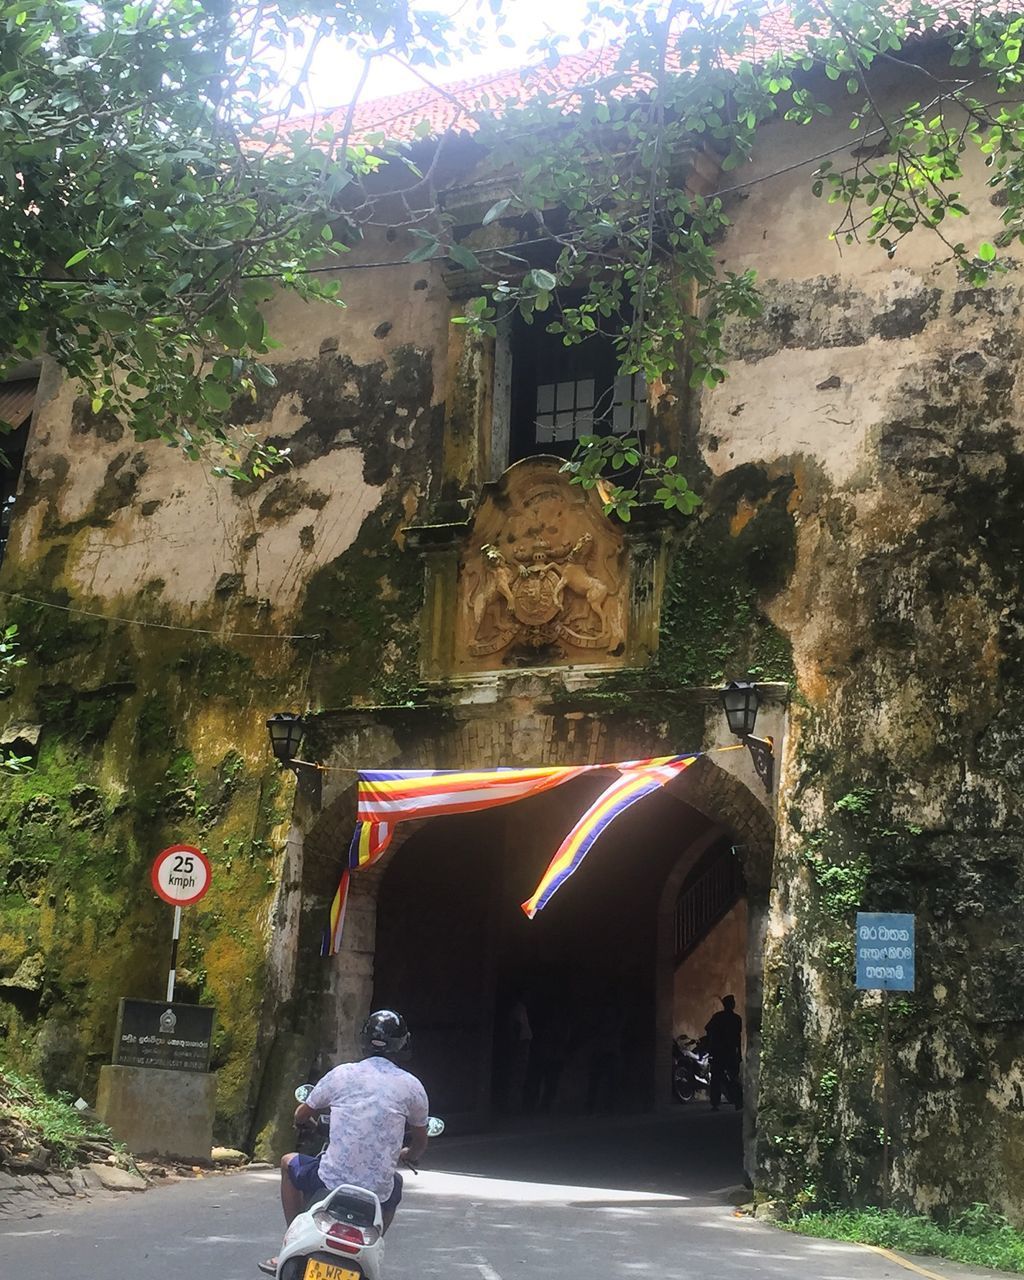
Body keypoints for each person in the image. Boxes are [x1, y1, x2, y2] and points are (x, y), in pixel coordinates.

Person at [258, 1009, 429, 1276]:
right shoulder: (413, 1087)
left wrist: (305, 1124)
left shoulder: (341, 1074)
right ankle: (374, 1241)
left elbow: (301, 1114)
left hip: (329, 1181)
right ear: (402, 1043)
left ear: (363, 1040)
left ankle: (292, 1238)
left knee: (288, 1162)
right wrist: (408, 1153)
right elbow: (420, 1140)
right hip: (376, 1193)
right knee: (395, 1184)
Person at [704, 994, 742, 1112]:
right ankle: (737, 1101)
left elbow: (707, 1028)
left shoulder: (718, 1017)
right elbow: (737, 1038)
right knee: (733, 1078)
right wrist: (739, 1053)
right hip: (730, 1052)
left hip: (719, 1052)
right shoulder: (736, 1019)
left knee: (716, 1078)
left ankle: (715, 1103)